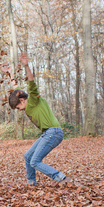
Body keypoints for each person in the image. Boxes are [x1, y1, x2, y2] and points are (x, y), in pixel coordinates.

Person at [9, 52, 71, 187]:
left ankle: (61, 178)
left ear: (22, 100)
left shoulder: (32, 100)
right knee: (28, 156)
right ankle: (31, 183)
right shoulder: (25, 103)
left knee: (35, 161)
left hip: (53, 132)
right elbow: (16, 90)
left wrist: (26, 66)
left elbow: (31, 82)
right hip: (47, 133)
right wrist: (9, 73)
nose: (19, 110)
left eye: (18, 107)